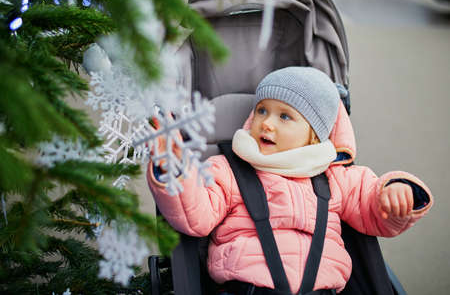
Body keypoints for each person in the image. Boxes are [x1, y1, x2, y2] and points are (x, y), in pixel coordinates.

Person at [147, 67, 433, 294]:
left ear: (313, 136)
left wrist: (396, 193)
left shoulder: (336, 179)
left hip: (322, 287)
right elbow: (196, 213)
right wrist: (175, 170)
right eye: (261, 110)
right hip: (247, 285)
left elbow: (370, 202)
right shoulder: (228, 170)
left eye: (285, 116)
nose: (267, 123)